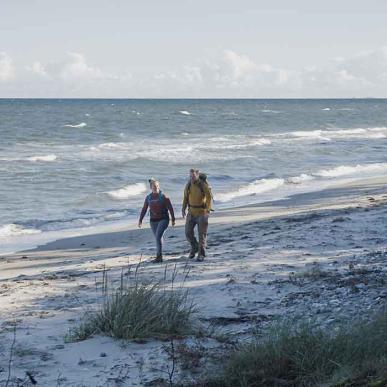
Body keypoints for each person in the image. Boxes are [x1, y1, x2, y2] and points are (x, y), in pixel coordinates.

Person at [138, 178, 175, 263]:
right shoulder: (148, 197)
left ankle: (159, 257)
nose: (155, 188)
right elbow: (144, 209)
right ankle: (160, 253)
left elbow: (170, 208)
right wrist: (140, 220)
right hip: (153, 221)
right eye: (154, 186)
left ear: (159, 186)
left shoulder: (163, 197)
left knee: (158, 237)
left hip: (164, 219)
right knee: (158, 237)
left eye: (157, 186)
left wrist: (173, 219)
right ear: (151, 187)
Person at [182, 169, 213, 261]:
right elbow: (185, 198)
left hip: (202, 212)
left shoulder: (202, 185)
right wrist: (183, 209)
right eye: (190, 176)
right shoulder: (188, 185)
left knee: (201, 235)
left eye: (193, 176)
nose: (192, 178)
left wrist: (208, 208)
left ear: (197, 175)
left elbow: (208, 196)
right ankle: (194, 247)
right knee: (188, 232)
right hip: (191, 212)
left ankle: (201, 254)